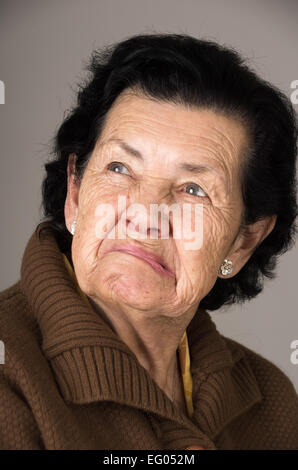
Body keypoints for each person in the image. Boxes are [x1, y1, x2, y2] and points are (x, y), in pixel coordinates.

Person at [0, 33, 297, 450]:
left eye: (193, 190)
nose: (144, 215)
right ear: (74, 193)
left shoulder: (274, 401)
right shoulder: (8, 376)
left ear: (243, 241)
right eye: (120, 167)